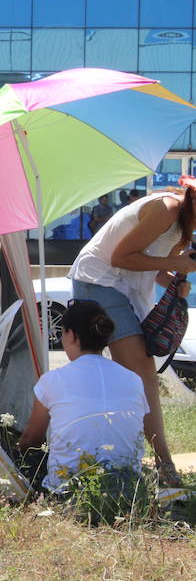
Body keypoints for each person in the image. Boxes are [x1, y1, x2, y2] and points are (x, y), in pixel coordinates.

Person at [68, 178, 196, 486]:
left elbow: (149, 263)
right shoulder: (167, 209)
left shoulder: (183, 220)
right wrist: (173, 262)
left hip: (119, 287)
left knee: (138, 373)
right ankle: (163, 467)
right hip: (99, 280)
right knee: (141, 370)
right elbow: (119, 257)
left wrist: (174, 280)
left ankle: (136, 460)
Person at [18, 300, 150, 493]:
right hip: (127, 491)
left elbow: (31, 440)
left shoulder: (53, 380)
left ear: (71, 335)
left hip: (69, 492)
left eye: (62, 333)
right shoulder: (134, 380)